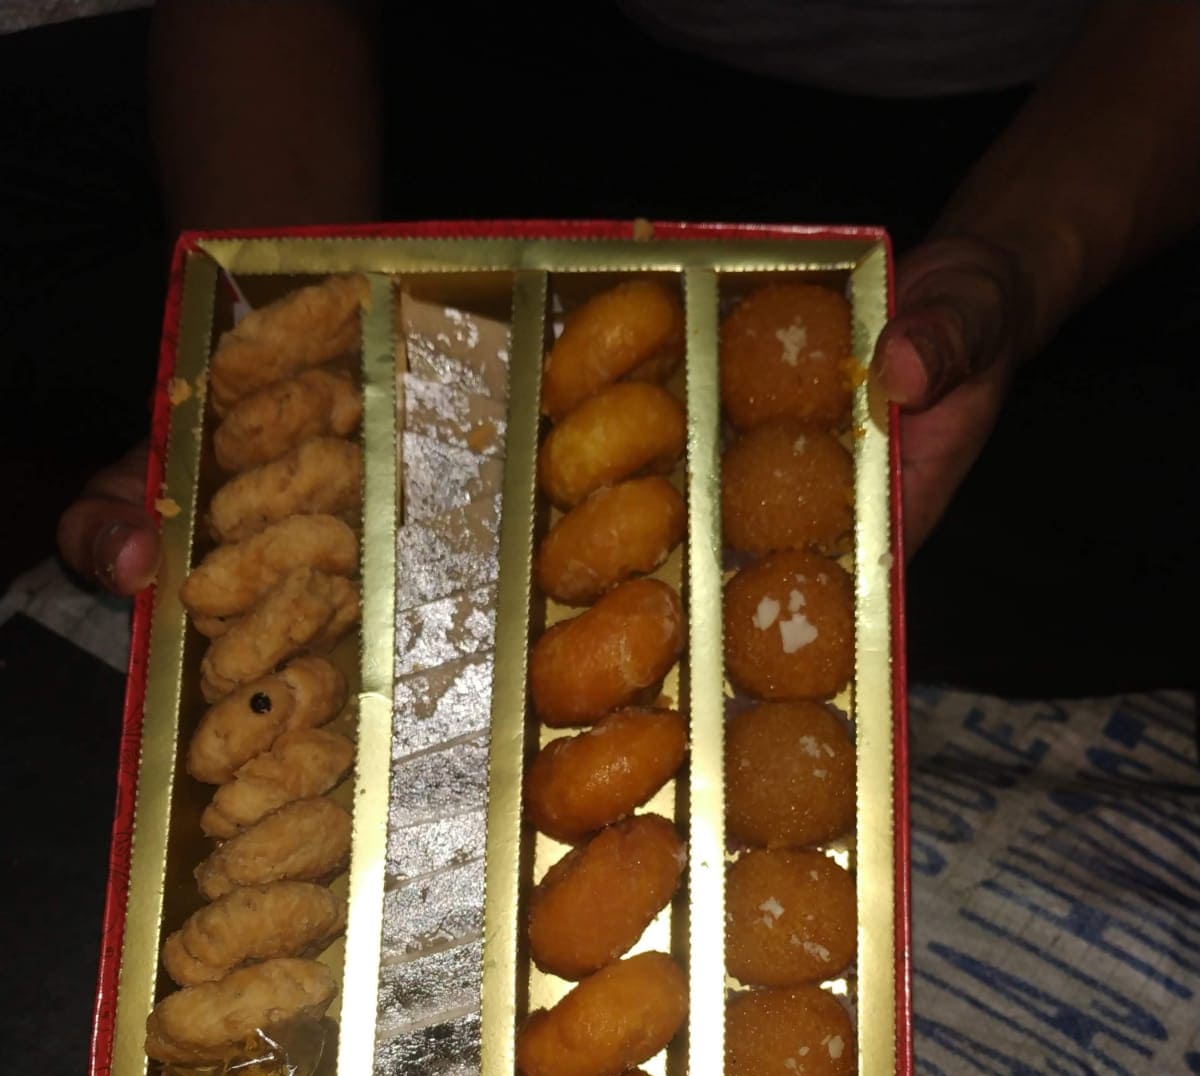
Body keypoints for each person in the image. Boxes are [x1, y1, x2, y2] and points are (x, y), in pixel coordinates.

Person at [49, 0, 1200, 691]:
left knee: (1089, 551)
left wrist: (1018, 265)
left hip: (1051, 121)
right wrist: (278, 328)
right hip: (551, 59)